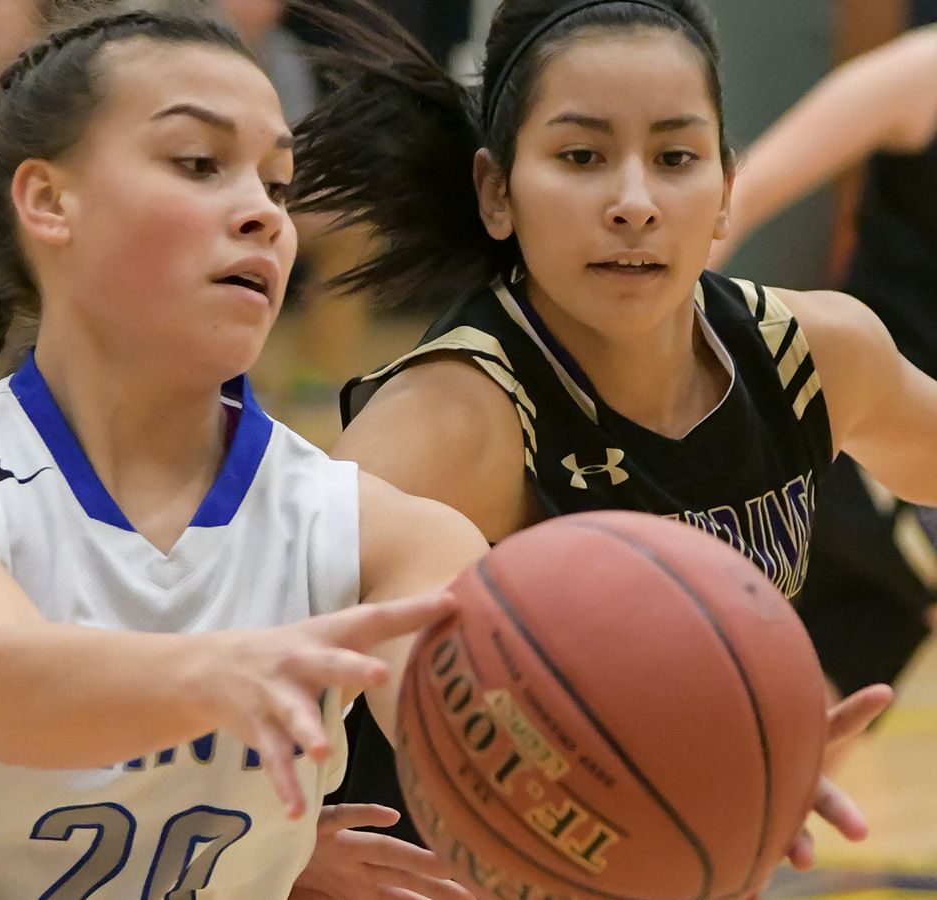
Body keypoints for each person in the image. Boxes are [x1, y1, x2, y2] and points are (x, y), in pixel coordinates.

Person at [0, 9, 481, 898]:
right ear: (48, 201)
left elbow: (485, 766)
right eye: (198, 164)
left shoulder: (385, 535)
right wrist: (235, 674)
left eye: (279, 185)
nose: (262, 211)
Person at [287, 0, 929, 857]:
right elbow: (247, 670)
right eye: (581, 156)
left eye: (675, 157)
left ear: (726, 190)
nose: (634, 201)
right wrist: (283, 845)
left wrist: (742, 763)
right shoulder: (454, 420)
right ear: (496, 191)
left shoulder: (812, 356)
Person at [708, 19, 937, 696]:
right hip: (831, 449)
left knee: (799, 748)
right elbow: (741, 194)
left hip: (910, 494)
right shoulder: (923, 71)